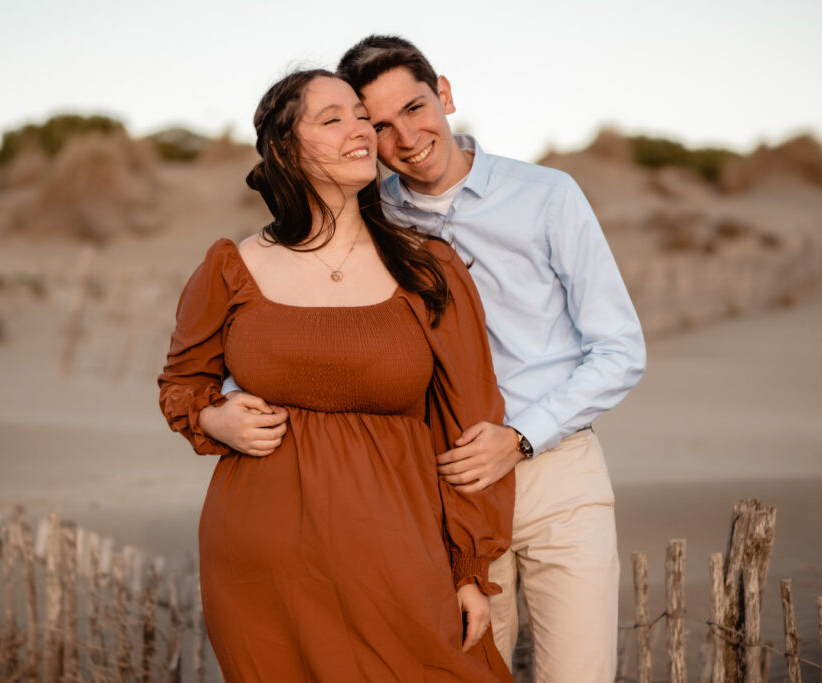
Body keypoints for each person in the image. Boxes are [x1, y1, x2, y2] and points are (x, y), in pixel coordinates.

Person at [225, 37, 648, 681]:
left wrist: (521, 438)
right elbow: (299, 325)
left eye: (417, 108)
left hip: (557, 474)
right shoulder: (369, 215)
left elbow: (619, 348)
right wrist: (227, 396)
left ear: (444, 94)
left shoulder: (547, 195)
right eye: (380, 124)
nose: (407, 137)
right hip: (443, 491)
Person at [158, 68, 515, 682]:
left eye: (361, 116)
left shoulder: (427, 266)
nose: (362, 131)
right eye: (334, 119)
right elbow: (181, 383)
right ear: (286, 148)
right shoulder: (231, 267)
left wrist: (467, 570)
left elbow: (471, 424)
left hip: (399, 552)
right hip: (261, 560)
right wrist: (215, 418)